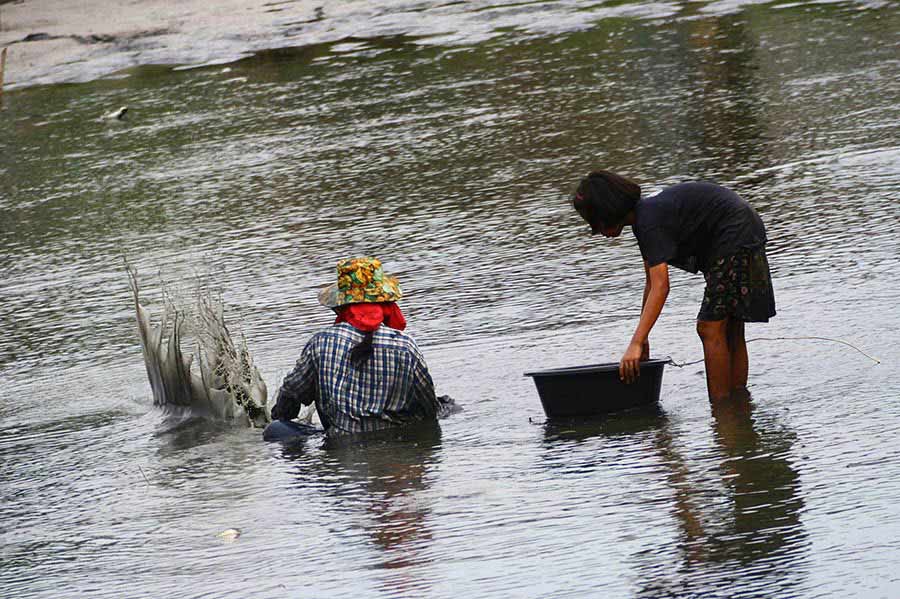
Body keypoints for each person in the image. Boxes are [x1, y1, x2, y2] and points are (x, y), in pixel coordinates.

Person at [572, 171, 776, 402]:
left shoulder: (648, 222)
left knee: (709, 329)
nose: (596, 232)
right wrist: (643, 336)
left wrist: (636, 343)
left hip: (733, 234)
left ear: (608, 212)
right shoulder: (645, 217)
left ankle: (723, 412)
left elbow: (661, 287)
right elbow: (651, 283)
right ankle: (738, 404)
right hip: (741, 229)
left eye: (595, 223)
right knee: (730, 327)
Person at [271, 256, 444, 435]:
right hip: (394, 440)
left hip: (341, 445)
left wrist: (277, 416)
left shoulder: (321, 343)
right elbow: (429, 408)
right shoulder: (406, 346)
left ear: (340, 307)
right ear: (385, 303)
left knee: (276, 430)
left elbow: (290, 399)